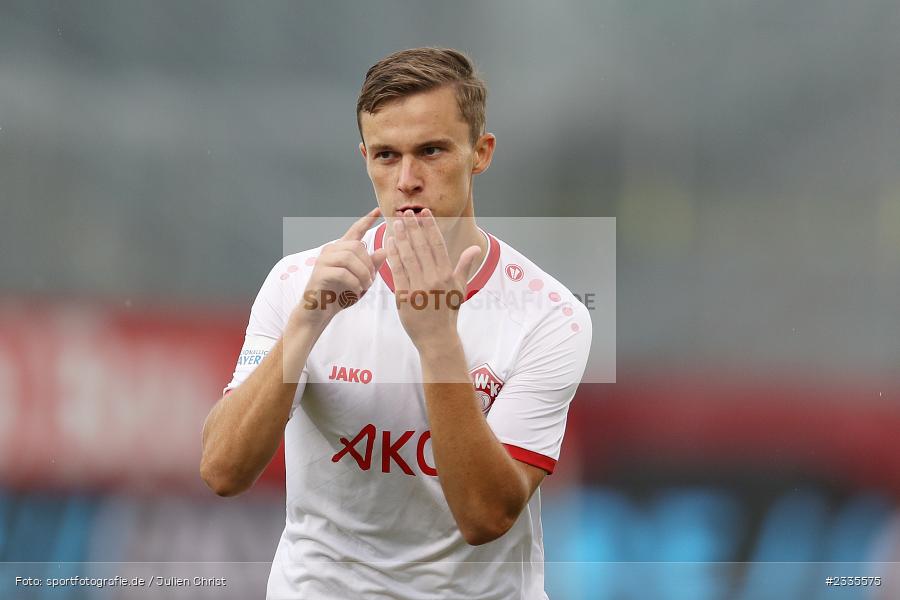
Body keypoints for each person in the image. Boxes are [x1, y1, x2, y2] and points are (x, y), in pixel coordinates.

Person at [200, 47, 591, 599]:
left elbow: (484, 517)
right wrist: (306, 325)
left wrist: (437, 343)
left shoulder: (552, 315)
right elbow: (222, 472)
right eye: (386, 155)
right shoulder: (299, 283)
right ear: (364, 158)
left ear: (481, 153)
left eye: (431, 151)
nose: (407, 179)